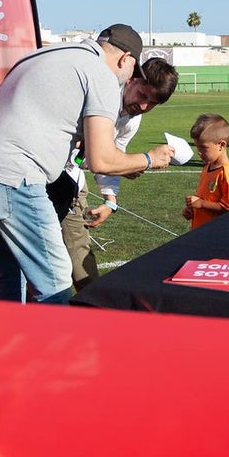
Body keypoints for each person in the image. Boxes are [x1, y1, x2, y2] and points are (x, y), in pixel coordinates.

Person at [0, 24, 174, 303]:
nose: (130, 77)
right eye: (133, 70)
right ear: (125, 59)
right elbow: (102, 160)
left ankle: (9, 330)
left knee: (8, 270)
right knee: (56, 279)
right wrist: (149, 159)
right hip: (14, 171)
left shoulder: (47, 54)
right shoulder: (102, 74)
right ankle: (52, 333)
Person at [60, 58, 179, 291]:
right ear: (132, 79)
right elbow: (100, 158)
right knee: (61, 250)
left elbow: (113, 154)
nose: (143, 106)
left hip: (70, 178)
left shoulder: (132, 120)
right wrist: (146, 160)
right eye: (143, 95)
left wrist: (110, 200)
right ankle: (91, 303)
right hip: (47, 172)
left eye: (152, 103)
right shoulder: (101, 95)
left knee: (71, 246)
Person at [184, 113, 229, 229]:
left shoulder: (226, 174)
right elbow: (207, 198)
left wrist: (201, 204)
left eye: (203, 147)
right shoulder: (207, 167)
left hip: (215, 233)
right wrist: (193, 210)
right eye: (197, 147)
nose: (199, 152)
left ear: (221, 145)